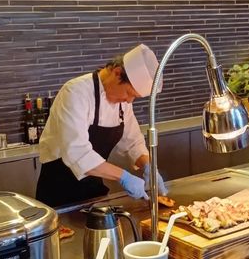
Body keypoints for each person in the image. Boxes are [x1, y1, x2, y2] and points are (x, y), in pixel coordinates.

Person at [36, 44, 168, 208]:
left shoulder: (122, 102)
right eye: (129, 93)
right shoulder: (75, 92)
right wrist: (124, 177)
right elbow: (78, 153)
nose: (129, 101)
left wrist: (148, 166)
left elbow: (133, 142)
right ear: (117, 73)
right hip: (59, 192)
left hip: (93, 190)